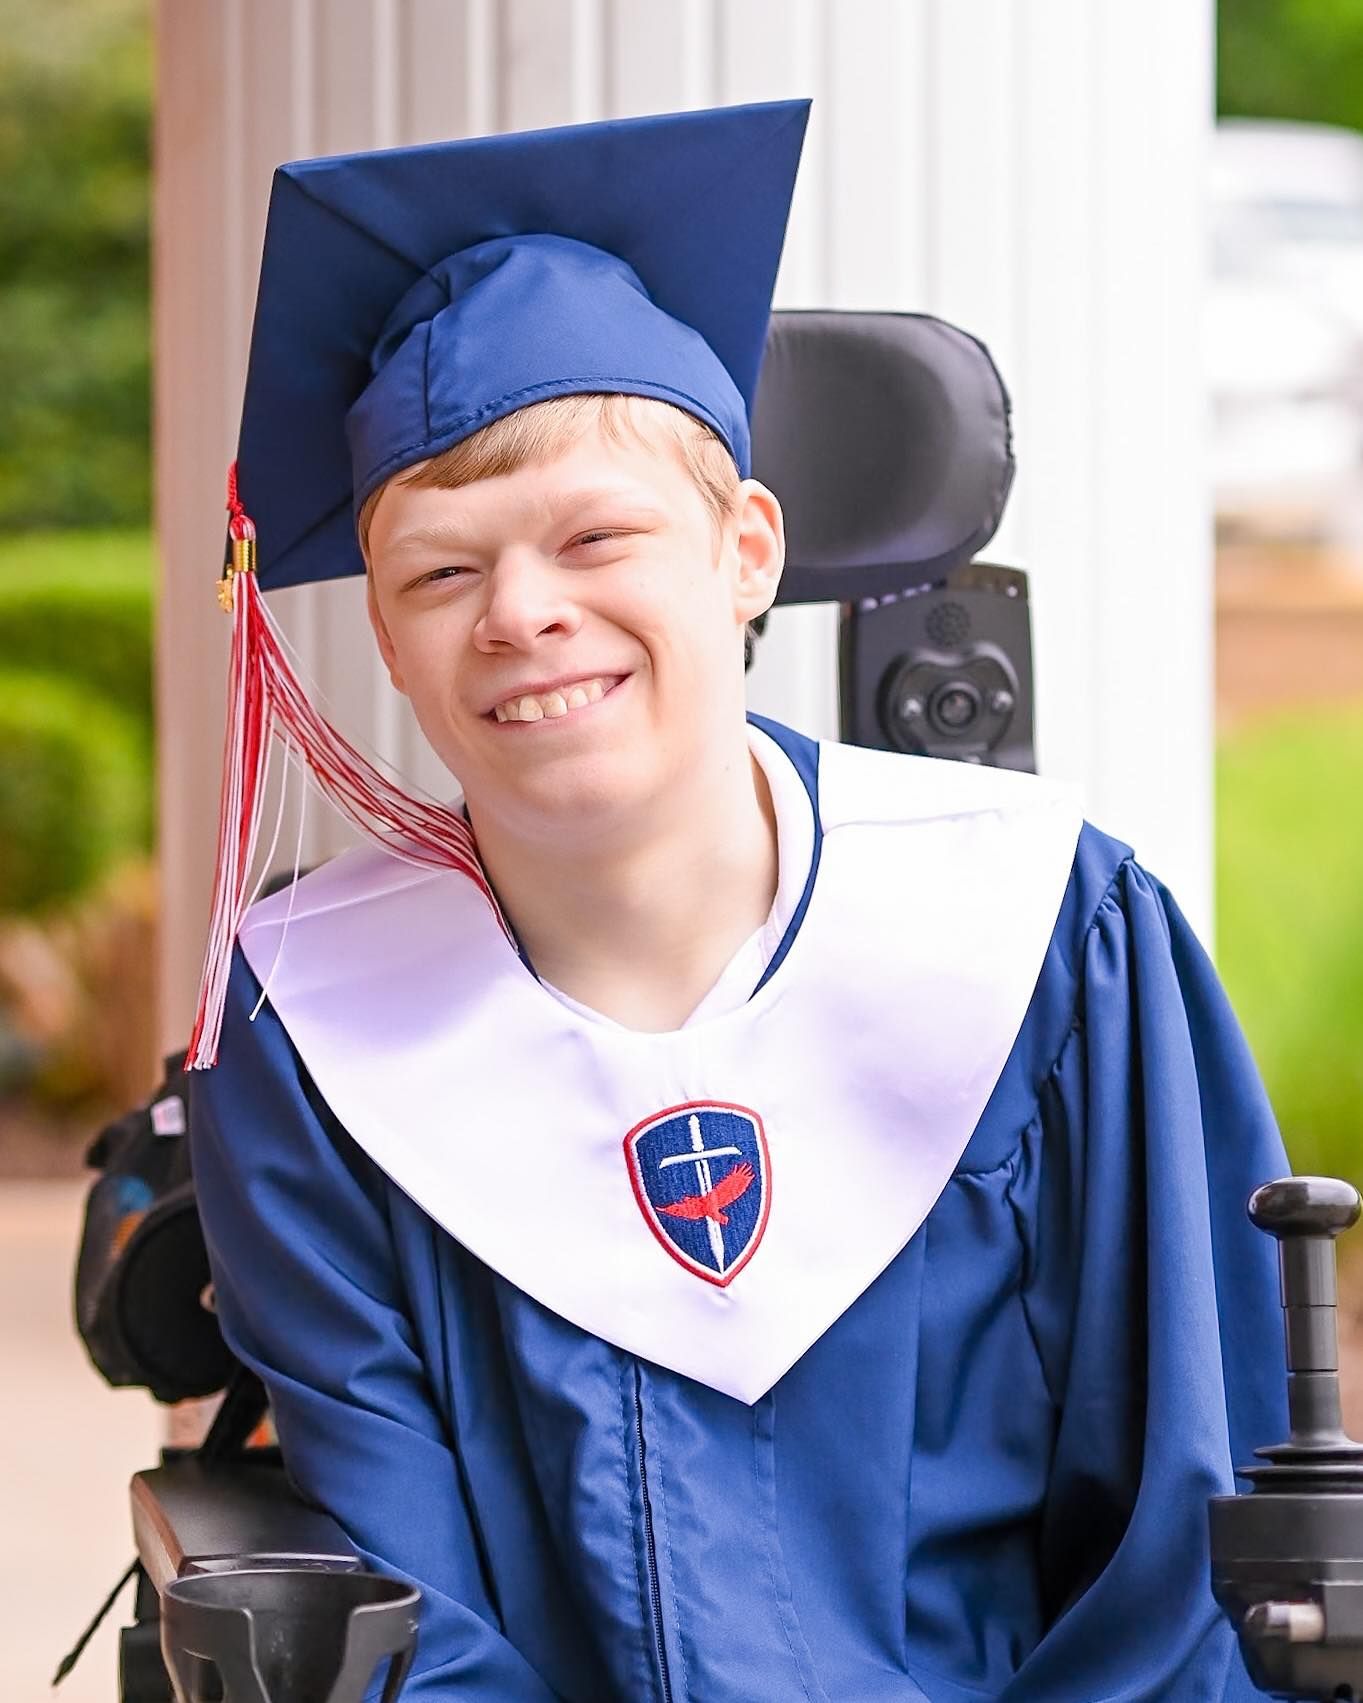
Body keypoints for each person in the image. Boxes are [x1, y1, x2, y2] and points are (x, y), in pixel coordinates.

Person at [189, 100, 1290, 1700]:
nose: (521, 614)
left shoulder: (1051, 933)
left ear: (747, 549)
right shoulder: (312, 1034)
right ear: (388, 636)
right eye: (441, 571)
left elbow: (1191, 1555)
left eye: (596, 537)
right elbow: (403, 1622)